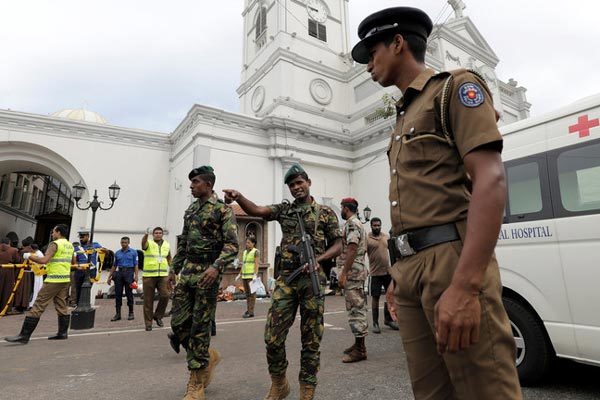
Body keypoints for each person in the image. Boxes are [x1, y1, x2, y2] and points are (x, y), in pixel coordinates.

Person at [351, 7, 522, 399]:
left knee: (486, 389)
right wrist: (399, 272)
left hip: (451, 262)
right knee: (430, 393)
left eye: (372, 52)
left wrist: (464, 287)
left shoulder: (455, 87)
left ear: (397, 44)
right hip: (410, 270)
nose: (367, 65)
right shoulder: (403, 114)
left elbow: (491, 180)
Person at [224, 163, 342, 400]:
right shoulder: (285, 210)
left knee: (311, 340)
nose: (296, 187)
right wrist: (239, 196)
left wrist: (320, 259)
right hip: (287, 280)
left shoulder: (326, 213)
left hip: (312, 281)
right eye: (292, 185)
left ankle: (307, 391)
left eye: (300, 183)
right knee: (272, 337)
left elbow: (338, 244)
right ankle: (279, 384)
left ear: (308, 183)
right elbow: (257, 210)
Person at [169, 165, 238, 399]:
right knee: (178, 324)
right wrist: (173, 269)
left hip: (208, 273)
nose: (191, 186)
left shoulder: (223, 210)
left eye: (196, 182)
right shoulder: (190, 210)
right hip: (188, 271)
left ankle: (196, 382)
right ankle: (208, 356)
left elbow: (231, 245)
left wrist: (215, 267)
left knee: (200, 327)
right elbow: (185, 241)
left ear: (208, 185)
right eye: (191, 182)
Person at [5, 224, 75, 344]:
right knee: (61, 305)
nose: (52, 234)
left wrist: (29, 256)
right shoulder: (69, 245)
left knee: (38, 305)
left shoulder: (55, 244)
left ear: (58, 232)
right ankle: (62, 333)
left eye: (53, 232)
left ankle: (24, 335)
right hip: (64, 279)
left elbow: (43, 260)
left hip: (53, 279)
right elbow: (73, 262)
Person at [337, 198, 368, 363]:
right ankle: (358, 344)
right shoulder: (358, 223)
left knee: (356, 310)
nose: (341, 210)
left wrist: (344, 272)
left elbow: (352, 248)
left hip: (353, 273)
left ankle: (360, 350)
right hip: (357, 271)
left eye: (341, 207)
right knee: (357, 307)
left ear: (346, 208)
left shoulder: (352, 224)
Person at [366, 218, 398, 333]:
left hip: (388, 272)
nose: (376, 227)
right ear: (371, 226)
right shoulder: (367, 239)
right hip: (375, 273)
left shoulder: (385, 237)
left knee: (390, 296)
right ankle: (375, 323)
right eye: (374, 225)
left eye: (378, 225)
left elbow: (393, 250)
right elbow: (361, 253)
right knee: (376, 297)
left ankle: (388, 320)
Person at [141, 227, 171, 331]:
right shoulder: (149, 243)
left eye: (160, 233)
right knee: (148, 300)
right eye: (156, 233)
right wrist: (146, 234)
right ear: (153, 234)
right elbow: (143, 245)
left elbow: (168, 257)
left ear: (162, 234)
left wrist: (172, 270)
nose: (158, 234)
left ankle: (158, 316)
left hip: (162, 275)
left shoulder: (166, 244)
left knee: (166, 295)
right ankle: (148, 323)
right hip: (149, 276)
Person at [107, 236, 139, 321]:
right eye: (122, 242)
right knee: (118, 294)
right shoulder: (117, 253)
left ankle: (131, 313)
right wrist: (109, 276)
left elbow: (136, 265)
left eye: (125, 242)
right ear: (120, 243)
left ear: (128, 243)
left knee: (129, 294)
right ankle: (118, 314)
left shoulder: (134, 252)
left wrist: (136, 276)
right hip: (119, 274)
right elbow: (114, 265)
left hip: (129, 273)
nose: (123, 244)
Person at [73, 231, 103, 306]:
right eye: (80, 237)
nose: (81, 238)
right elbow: (74, 261)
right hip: (80, 271)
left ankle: (86, 305)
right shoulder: (76, 248)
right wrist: (78, 266)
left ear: (88, 236)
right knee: (78, 289)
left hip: (91, 270)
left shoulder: (95, 245)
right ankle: (78, 305)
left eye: (83, 237)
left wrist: (103, 250)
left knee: (87, 288)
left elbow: (105, 252)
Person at [238, 236, 259, 318]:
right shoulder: (245, 252)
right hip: (245, 276)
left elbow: (256, 264)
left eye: (249, 242)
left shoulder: (256, 252)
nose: (247, 244)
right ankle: (248, 310)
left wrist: (255, 274)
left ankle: (251, 312)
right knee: (247, 294)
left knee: (252, 295)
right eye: (246, 242)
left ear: (253, 243)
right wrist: (240, 273)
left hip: (251, 277)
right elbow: (244, 264)